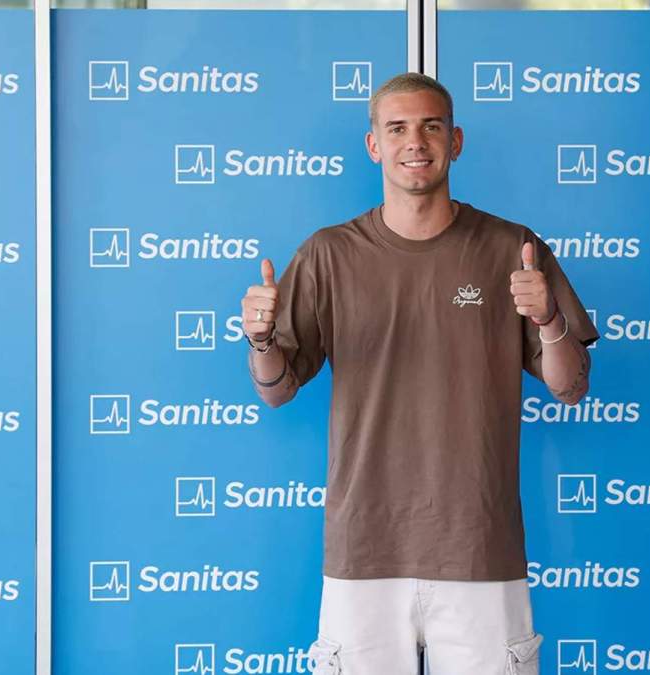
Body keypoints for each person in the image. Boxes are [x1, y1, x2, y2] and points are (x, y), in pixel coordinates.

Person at [239, 72, 599, 675]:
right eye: (397, 128)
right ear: (373, 145)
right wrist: (259, 341)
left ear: (455, 141)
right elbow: (276, 390)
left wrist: (549, 319)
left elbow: (571, 386)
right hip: (364, 549)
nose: (415, 142)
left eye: (431, 127)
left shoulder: (512, 247)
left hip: (479, 548)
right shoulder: (329, 254)